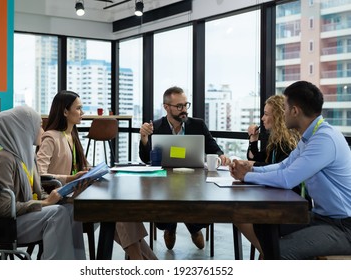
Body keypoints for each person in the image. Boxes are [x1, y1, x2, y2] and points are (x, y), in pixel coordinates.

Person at [230, 80, 351, 259]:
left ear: (295, 111)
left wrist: (246, 176)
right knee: (263, 226)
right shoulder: (310, 136)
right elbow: (284, 165)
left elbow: (287, 179)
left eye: (285, 108)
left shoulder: (324, 139)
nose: (283, 113)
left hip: (343, 226)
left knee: (277, 251)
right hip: (320, 217)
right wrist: (251, 169)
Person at [37, 90, 157, 260]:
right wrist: (70, 179)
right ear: (65, 111)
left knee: (122, 213)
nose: (82, 113)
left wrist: (95, 170)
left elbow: (83, 166)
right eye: (78, 108)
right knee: (120, 213)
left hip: (77, 194)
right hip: (61, 198)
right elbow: (40, 174)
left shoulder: (72, 135)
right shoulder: (51, 137)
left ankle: (146, 263)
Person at [0, 106, 86, 260]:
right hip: (3, 224)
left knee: (72, 210)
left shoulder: (28, 156)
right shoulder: (4, 159)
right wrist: (46, 203)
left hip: (22, 217)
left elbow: (38, 194)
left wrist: (64, 197)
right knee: (58, 213)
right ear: (23, 129)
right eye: (39, 125)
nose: (42, 130)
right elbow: (5, 208)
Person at [139, 86, 230, 251]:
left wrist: (220, 155)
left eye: (186, 105)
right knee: (164, 199)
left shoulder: (198, 125)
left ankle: (194, 228)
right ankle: (170, 227)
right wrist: (144, 138)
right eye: (179, 106)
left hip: (194, 179)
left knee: (199, 200)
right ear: (166, 107)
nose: (184, 110)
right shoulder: (156, 127)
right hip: (165, 181)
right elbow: (146, 158)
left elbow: (213, 148)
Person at [236, 95, 300, 258]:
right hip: (273, 195)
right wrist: (253, 139)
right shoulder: (275, 140)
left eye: (266, 114)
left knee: (240, 217)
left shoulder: (288, 143)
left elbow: (276, 170)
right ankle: (268, 252)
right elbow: (254, 159)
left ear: (277, 116)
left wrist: (250, 168)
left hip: (287, 201)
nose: (262, 118)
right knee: (238, 217)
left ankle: (270, 254)